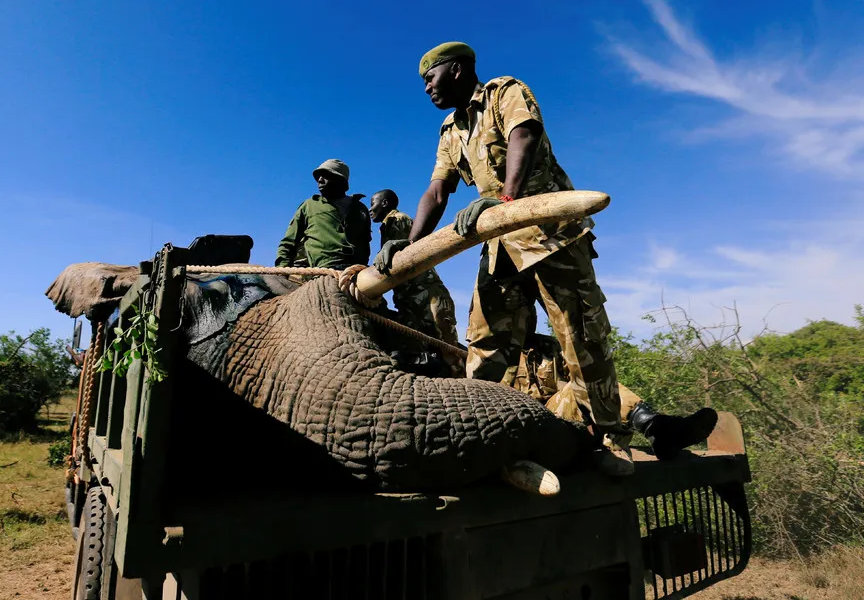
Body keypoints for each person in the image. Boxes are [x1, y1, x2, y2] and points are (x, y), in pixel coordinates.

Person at [375, 42, 716, 475]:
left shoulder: (505, 92)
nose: (426, 87)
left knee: (580, 338)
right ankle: (478, 436)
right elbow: (438, 190)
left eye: (430, 77)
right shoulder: (450, 130)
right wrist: (410, 244)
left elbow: (525, 135)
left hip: (549, 234)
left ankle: (607, 441)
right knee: (484, 346)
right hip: (498, 246)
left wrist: (505, 198)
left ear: (457, 70)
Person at [369, 189, 459, 345]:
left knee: (447, 350)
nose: (370, 209)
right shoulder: (387, 225)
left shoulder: (396, 220)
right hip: (412, 297)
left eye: (372, 204)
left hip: (425, 295)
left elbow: (403, 254)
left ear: (384, 203)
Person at [276, 159, 372, 270]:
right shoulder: (309, 206)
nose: (320, 180)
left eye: (326, 175)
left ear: (341, 180)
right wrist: (282, 270)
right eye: (318, 177)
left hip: (357, 270)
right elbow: (289, 243)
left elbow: (366, 243)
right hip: (323, 269)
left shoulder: (359, 208)